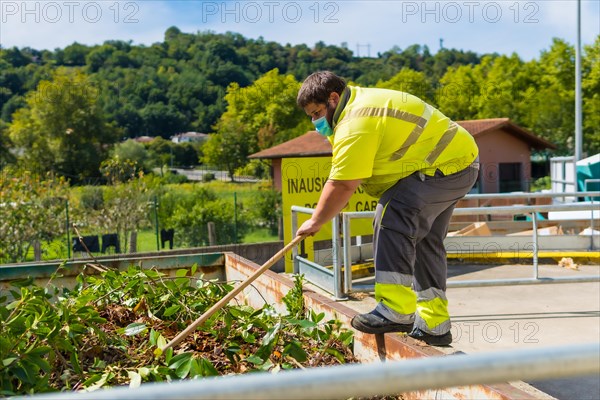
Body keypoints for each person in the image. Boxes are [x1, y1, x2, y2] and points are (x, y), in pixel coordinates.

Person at [295, 71, 479, 346]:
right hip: (459, 164)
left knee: (391, 214)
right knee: (425, 241)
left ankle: (395, 308)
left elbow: (342, 185)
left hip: (443, 167)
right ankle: (435, 324)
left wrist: (316, 221)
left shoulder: (356, 121)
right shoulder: (357, 105)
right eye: (310, 116)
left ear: (333, 98)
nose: (315, 122)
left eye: (317, 112)